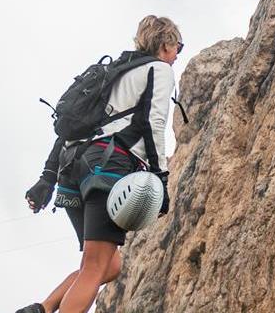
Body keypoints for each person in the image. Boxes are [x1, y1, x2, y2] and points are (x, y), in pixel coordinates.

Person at [19, 16, 181, 313]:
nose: (177, 56)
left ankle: (42, 308)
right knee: (95, 266)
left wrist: (47, 177)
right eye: (178, 47)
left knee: (110, 264)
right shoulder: (158, 70)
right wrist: (161, 178)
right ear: (166, 44)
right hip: (108, 166)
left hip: (73, 168)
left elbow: (70, 131)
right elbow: (154, 122)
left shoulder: (113, 72)